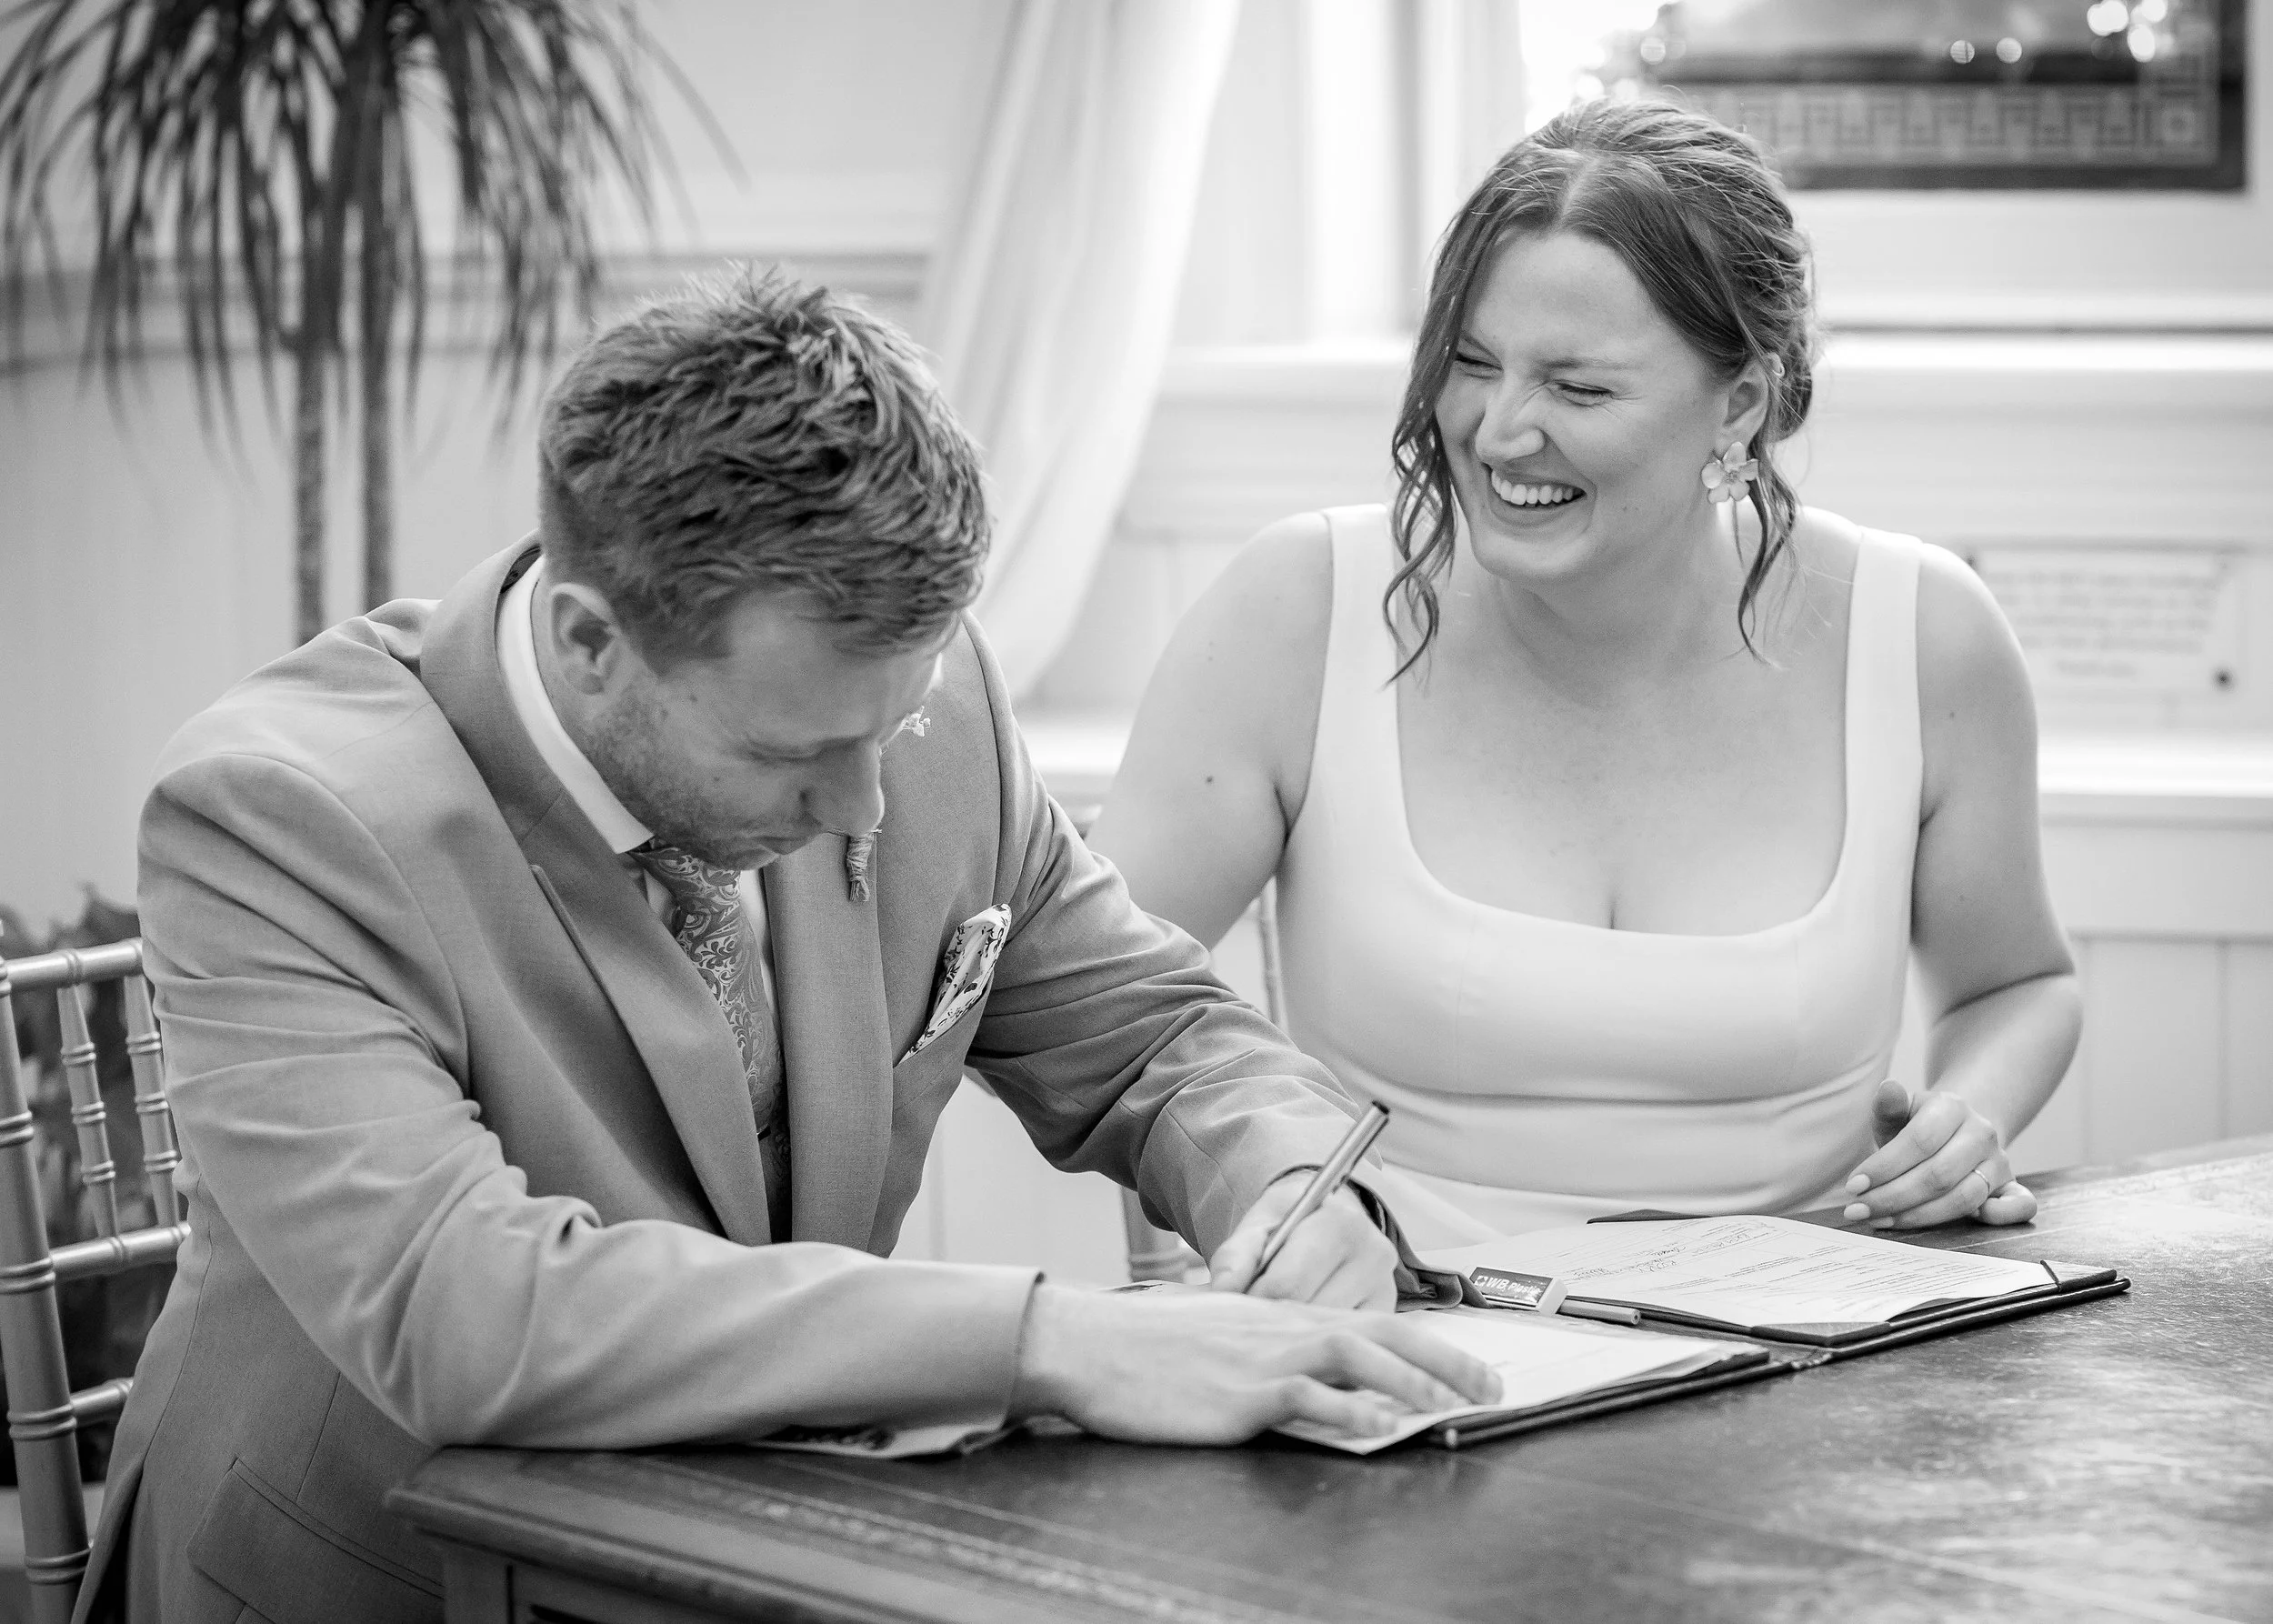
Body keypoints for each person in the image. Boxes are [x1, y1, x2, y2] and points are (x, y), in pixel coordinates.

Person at [86, 268, 1497, 1624]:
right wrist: (1057, 1339)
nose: (864, 803)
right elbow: (463, 1306)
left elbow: (1157, 1035)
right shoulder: (280, 816)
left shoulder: (899, 703)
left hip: (787, 1559)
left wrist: (1302, 1191)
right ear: (590, 643)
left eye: (892, 727)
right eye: (798, 752)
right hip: (377, 1585)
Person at [1088, 100, 2080, 1248]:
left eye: (1579, 388)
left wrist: (1966, 1120)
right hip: (1397, 1343)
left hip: (1803, 1351)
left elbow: (2016, 986)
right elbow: (1111, 1013)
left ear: (1742, 405)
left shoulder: (1923, 635)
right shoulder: (1297, 609)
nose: (1500, 431)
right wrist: (1259, 1204)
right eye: (1470, 364)